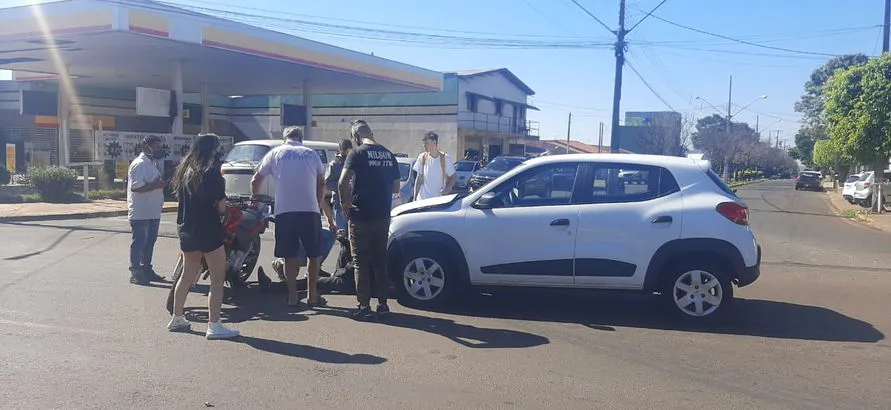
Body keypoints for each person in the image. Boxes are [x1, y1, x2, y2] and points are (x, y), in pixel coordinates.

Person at [251, 126, 335, 308]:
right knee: (314, 254)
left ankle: (292, 297)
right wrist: (318, 201)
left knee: (289, 255)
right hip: (309, 210)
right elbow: (321, 182)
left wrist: (256, 201)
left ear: (284, 139)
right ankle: (312, 295)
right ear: (301, 139)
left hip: (284, 211)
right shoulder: (311, 154)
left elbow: (256, 179)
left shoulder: (276, 153)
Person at [167, 133, 239, 340]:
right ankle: (214, 324)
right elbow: (221, 207)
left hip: (187, 229)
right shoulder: (212, 174)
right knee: (217, 279)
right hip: (209, 229)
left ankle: (177, 316)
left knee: (187, 275)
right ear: (213, 150)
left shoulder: (184, 171)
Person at [338, 119, 401, 321]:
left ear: (356, 137)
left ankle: (363, 306)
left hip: (360, 216)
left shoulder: (356, 153)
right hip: (382, 216)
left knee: (360, 262)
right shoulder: (388, 154)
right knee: (379, 261)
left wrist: (345, 202)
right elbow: (396, 188)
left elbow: (342, 181)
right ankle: (383, 304)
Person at [126, 135, 166, 285]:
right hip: (141, 212)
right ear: (145, 147)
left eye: (160, 147)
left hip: (153, 211)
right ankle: (135, 272)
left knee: (150, 243)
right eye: (156, 146)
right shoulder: (139, 164)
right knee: (139, 243)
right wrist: (156, 185)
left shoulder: (152, 163)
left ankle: (146, 269)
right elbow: (136, 187)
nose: (159, 150)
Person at [412, 131, 457, 201]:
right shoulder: (422, 157)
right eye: (424, 143)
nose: (424, 146)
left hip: (438, 201)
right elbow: (418, 180)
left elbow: (453, 177)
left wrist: (448, 188)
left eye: (427, 143)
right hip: (422, 200)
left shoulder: (446, 158)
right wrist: (414, 199)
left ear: (434, 142)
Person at [325, 139, 353, 231]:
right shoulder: (334, 165)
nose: (347, 152)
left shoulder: (354, 163)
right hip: (339, 202)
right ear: (340, 150)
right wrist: (342, 184)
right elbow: (328, 184)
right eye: (344, 149)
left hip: (353, 202)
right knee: (342, 232)